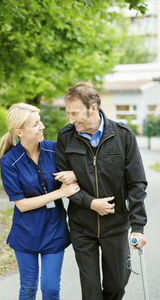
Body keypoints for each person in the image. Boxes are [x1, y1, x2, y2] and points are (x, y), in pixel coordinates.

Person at [55, 82, 147, 300]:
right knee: (91, 291)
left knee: (116, 285)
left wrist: (138, 226)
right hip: (82, 225)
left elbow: (137, 182)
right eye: (68, 113)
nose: (70, 119)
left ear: (93, 108)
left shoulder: (123, 135)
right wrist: (90, 203)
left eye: (75, 113)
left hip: (116, 225)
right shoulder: (65, 137)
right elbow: (62, 184)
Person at [0, 102, 80, 300]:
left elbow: (80, 170)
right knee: (29, 288)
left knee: (50, 289)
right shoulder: (9, 162)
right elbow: (21, 204)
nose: (42, 127)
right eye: (35, 124)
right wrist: (59, 194)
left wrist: (73, 174)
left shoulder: (55, 150)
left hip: (54, 232)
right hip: (25, 235)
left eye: (40, 122)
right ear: (19, 132)